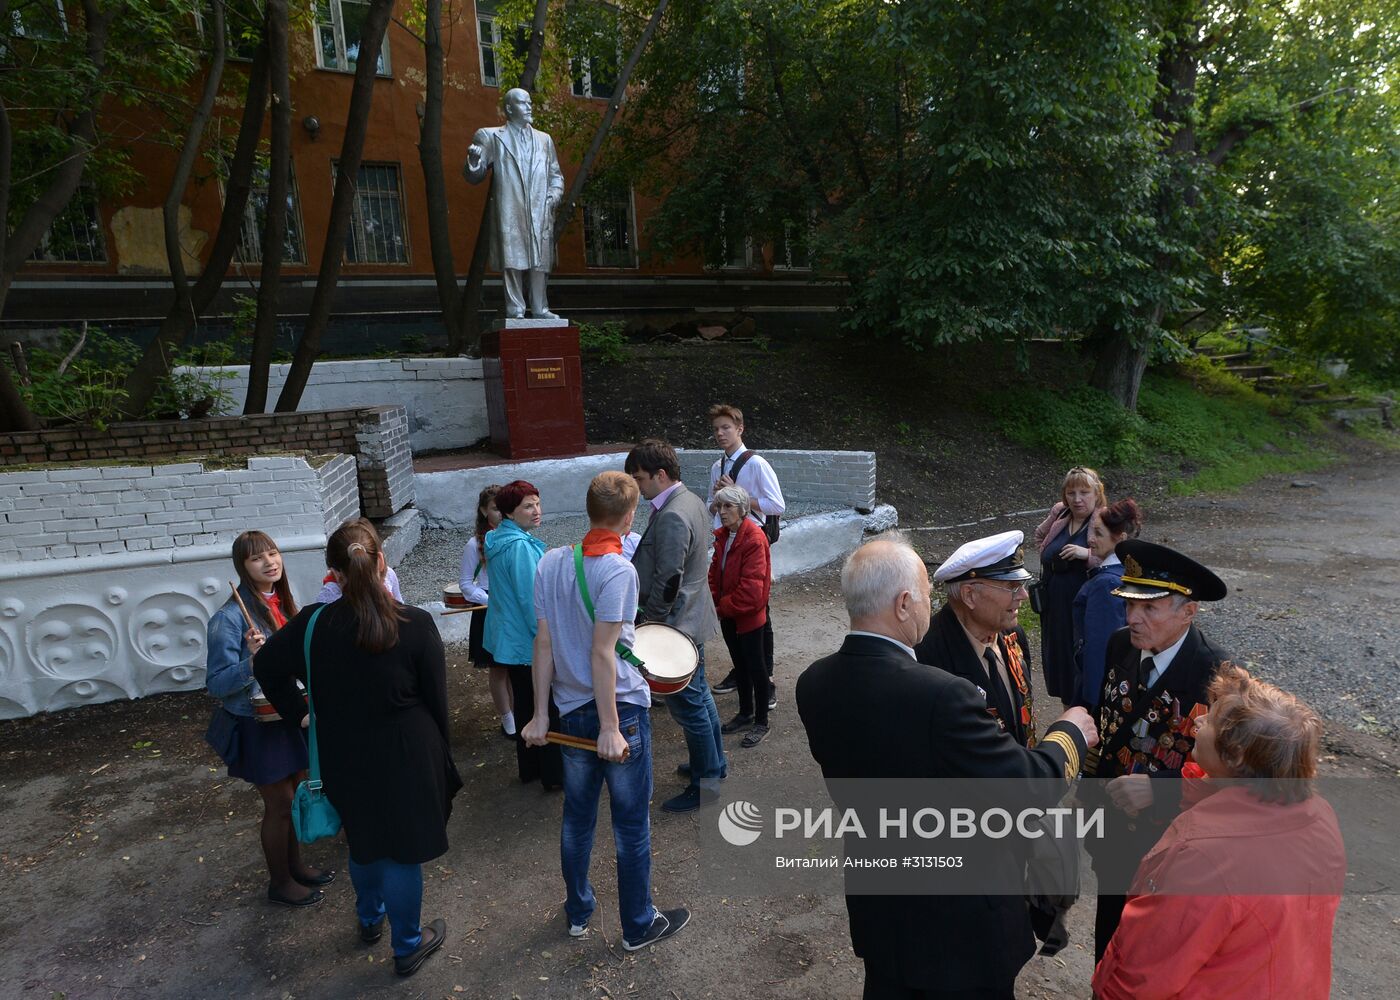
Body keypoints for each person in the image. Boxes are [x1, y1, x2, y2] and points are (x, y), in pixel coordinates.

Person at [796, 534, 1098, 1000]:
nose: (929, 607)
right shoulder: (940, 694)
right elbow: (1028, 785)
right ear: (902, 604)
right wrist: (1071, 733)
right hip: (960, 926)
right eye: (925, 596)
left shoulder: (813, 682)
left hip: (883, 907)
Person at [254, 520, 462, 978]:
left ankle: (370, 918)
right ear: (381, 562)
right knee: (402, 850)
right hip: (408, 750)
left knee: (364, 837)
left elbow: (266, 664)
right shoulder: (415, 623)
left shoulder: (312, 623)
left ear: (335, 573)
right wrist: (441, 756)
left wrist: (301, 714)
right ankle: (407, 943)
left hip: (342, 750)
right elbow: (436, 699)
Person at [1093, 666, 1345, 999]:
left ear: (1238, 755)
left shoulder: (1202, 856)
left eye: (1211, 721)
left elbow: (1142, 974)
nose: (1197, 722)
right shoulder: (1319, 817)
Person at [522, 471, 692, 951]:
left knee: (577, 820)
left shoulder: (552, 562)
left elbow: (545, 641)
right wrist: (613, 728)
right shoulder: (618, 570)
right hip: (619, 712)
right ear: (630, 515)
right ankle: (638, 925)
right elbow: (604, 652)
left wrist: (540, 714)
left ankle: (578, 912)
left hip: (571, 710)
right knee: (631, 825)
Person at [1082, 538, 1230, 963]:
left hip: (1171, 845)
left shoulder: (1218, 675)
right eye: (1130, 604)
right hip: (1112, 835)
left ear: (1188, 610)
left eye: (1149, 607)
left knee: (1159, 955)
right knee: (1110, 941)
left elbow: (1235, 774)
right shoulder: (1119, 644)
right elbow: (1111, 721)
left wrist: (1160, 789)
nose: (1133, 618)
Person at [203, 530, 333, 908]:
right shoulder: (228, 619)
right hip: (258, 723)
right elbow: (216, 684)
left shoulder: (283, 603)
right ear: (242, 567)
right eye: (258, 558)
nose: (269, 562)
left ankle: (296, 868)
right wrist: (253, 662)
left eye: (273, 553)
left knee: (294, 799)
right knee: (278, 804)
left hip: (288, 714)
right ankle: (280, 882)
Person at [625, 438, 725, 813]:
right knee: (699, 698)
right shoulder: (691, 501)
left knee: (690, 707)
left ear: (661, 474)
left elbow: (669, 579)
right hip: (692, 617)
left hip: (676, 625)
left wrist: (649, 624)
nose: (637, 486)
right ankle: (714, 765)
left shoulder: (671, 515)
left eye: (640, 478)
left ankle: (706, 784)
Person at [914, 529, 1037, 747]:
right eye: (1012, 586)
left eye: (1022, 585)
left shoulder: (1012, 635)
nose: (1023, 596)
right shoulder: (927, 655)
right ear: (969, 595)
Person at [484, 479, 562, 789]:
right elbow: (532, 601)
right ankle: (553, 775)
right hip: (526, 641)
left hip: (508, 638)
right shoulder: (518, 547)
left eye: (537, 503)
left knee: (525, 704)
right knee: (544, 707)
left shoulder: (499, 538)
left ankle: (530, 768)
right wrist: (547, 641)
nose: (536, 511)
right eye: (527, 506)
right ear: (509, 512)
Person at [706, 403, 785, 710]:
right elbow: (710, 507)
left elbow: (776, 505)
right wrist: (717, 504)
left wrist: (737, 493)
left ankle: (766, 678)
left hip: (752, 543)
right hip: (726, 544)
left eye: (726, 427)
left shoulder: (756, 465)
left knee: (758, 610)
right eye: (716, 429)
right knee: (736, 609)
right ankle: (742, 670)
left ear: (740, 429)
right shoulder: (717, 466)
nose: (720, 434)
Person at [463, 88, 565, 319]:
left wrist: (553, 197)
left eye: (530, 102)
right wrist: (474, 160)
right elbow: (474, 176)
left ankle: (540, 308)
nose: (529, 107)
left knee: (539, 261)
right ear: (509, 108)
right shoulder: (491, 136)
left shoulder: (544, 140)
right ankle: (515, 309)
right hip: (511, 207)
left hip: (540, 208)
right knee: (513, 259)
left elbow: (556, 175)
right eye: (523, 103)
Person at [1033, 466, 1107, 707]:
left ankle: (1085, 719)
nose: (1077, 499)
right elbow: (1039, 537)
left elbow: (1114, 558)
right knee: (1060, 662)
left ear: (1097, 494)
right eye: (1071, 492)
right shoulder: (1060, 514)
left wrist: (1084, 553)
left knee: (1081, 662)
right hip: (1054, 608)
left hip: (1083, 609)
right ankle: (1068, 714)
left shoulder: (1103, 520)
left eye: (1084, 492)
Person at [708, 485, 773, 747]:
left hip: (747, 618)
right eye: (720, 506)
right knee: (740, 665)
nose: (722, 512)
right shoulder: (724, 536)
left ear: (742, 509)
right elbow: (714, 574)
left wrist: (720, 607)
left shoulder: (754, 539)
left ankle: (761, 721)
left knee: (756, 668)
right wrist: (715, 601)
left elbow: (752, 591)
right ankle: (745, 713)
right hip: (729, 615)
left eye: (728, 506)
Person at [1071, 498, 1141, 712]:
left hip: (1098, 689)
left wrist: (1093, 703)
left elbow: (1100, 647)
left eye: (1099, 534)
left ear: (1119, 539)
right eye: (1092, 531)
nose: (1090, 540)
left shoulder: (1106, 583)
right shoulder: (1129, 572)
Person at [459, 485, 516, 740]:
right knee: (499, 668)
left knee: (516, 664)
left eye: (503, 508)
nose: (500, 513)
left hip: (512, 608)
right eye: (494, 509)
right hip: (490, 608)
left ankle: (519, 710)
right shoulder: (474, 544)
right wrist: (490, 600)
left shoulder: (514, 537)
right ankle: (507, 717)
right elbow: (465, 585)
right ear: (483, 511)